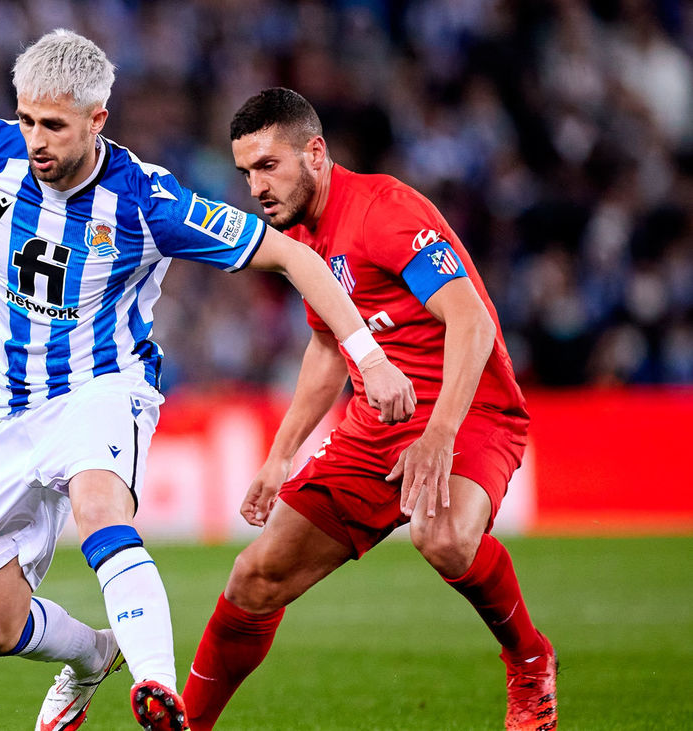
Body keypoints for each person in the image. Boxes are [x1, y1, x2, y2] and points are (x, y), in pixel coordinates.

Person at [0, 32, 415, 731]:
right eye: (28, 119)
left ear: (97, 120)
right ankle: (94, 655)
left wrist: (368, 356)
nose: (35, 139)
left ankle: (158, 688)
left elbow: (294, 260)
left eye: (54, 125)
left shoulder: (146, 200)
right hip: (5, 410)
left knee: (100, 504)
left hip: (103, 386)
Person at [183, 88, 556, 731]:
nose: (255, 187)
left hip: (470, 412)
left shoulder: (384, 211)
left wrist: (439, 435)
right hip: (376, 424)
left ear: (316, 153)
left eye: (268, 166)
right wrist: (278, 458)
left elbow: (469, 319)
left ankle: (528, 659)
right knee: (255, 578)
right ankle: (187, 724)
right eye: (246, 172)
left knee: (442, 537)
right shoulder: (304, 239)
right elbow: (329, 348)